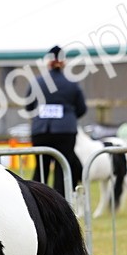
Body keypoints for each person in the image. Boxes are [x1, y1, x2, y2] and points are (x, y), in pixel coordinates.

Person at [24, 45, 86, 197]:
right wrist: (67, 117)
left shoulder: (36, 82)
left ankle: (36, 203)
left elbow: (29, 106)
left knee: (41, 170)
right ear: (63, 62)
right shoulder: (72, 84)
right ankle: (60, 203)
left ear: (48, 62)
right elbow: (82, 108)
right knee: (62, 170)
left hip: (41, 132)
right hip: (65, 132)